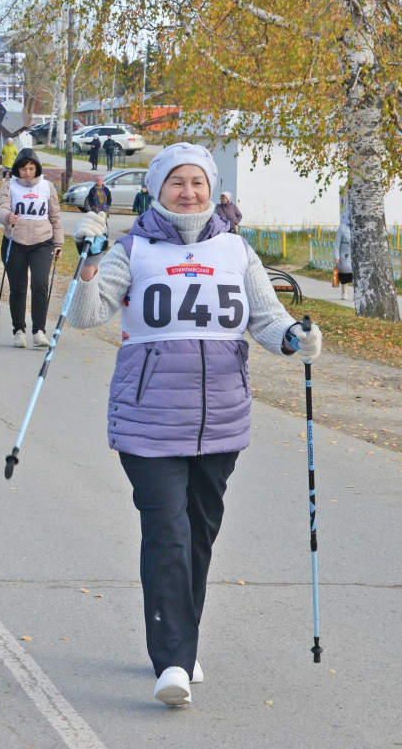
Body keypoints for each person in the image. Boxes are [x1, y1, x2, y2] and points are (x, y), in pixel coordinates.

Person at [66, 141, 322, 707]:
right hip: (148, 420)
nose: (189, 192)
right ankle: (173, 662)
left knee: (199, 534)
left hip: (221, 420)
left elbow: (266, 317)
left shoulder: (236, 250)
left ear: (212, 190)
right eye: (176, 183)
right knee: (168, 536)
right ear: (157, 191)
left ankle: (183, 638)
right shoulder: (131, 249)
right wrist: (87, 261)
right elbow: (85, 316)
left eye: (198, 183)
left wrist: (293, 340)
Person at [0, 148, 63, 348]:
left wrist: (58, 244)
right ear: (17, 169)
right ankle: (19, 330)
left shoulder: (47, 187)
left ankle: (39, 331)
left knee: (40, 284)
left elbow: (55, 218)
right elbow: (1, 211)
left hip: (42, 242)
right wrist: (8, 217)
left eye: (31, 168)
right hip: (15, 241)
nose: (27, 172)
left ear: (37, 168)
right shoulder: (9, 186)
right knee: (18, 288)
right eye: (24, 168)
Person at [334, 204, 352, 299]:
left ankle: (357, 294)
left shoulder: (358, 228)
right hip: (344, 256)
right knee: (345, 274)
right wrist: (336, 256)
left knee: (356, 275)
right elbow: (336, 244)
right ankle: (344, 292)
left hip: (354, 256)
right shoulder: (342, 228)